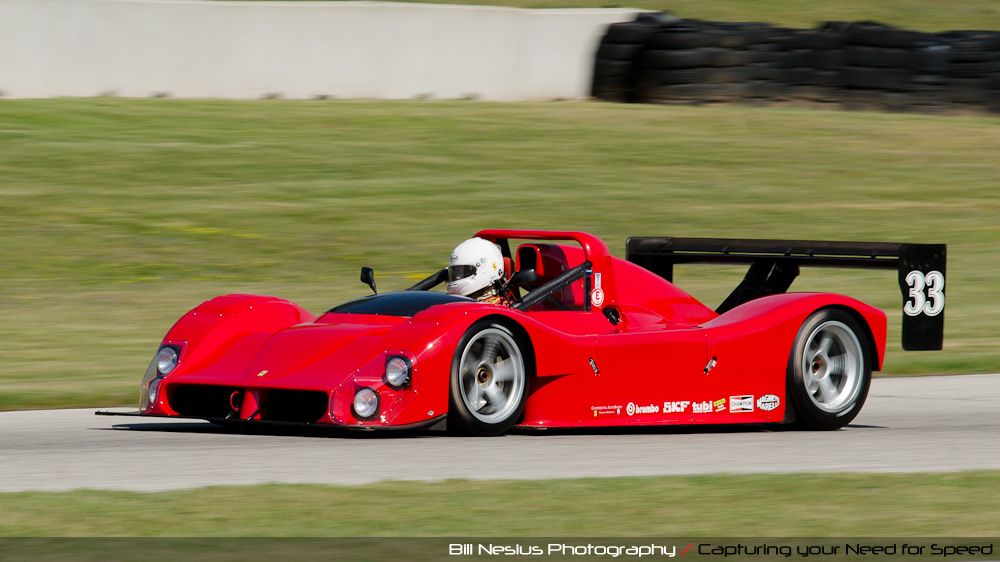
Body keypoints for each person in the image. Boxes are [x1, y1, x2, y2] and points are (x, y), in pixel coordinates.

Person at [447, 237, 506, 304]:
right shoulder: (456, 302)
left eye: (465, 271)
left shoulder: (498, 308)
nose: (457, 277)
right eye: (456, 272)